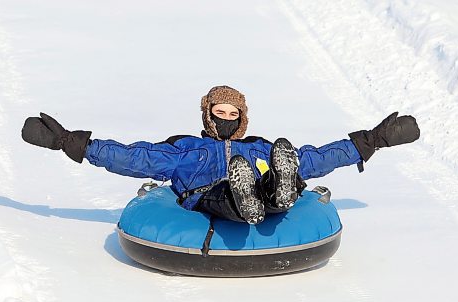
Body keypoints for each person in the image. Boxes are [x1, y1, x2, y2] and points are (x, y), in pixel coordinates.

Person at [21, 85, 420, 224]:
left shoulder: (259, 146)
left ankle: (280, 189)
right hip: (211, 195)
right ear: (208, 115)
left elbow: (315, 159)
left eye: (233, 114)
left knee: (288, 163)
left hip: (263, 178)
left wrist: (371, 140)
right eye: (219, 113)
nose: (226, 119)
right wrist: (76, 144)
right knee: (233, 185)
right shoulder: (185, 149)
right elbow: (135, 158)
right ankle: (248, 195)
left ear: (242, 118)